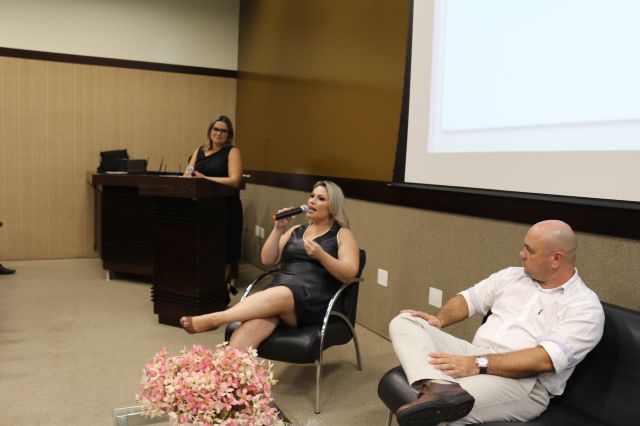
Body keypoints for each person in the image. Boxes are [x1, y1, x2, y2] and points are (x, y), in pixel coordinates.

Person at [389, 220, 604, 426]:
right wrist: (439, 320)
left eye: (530, 250)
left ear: (556, 259)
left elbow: (544, 360)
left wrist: (478, 364)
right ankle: (440, 387)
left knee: (444, 412)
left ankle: (441, 394)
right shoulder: (511, 276)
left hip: (524, 383)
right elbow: (468, 300)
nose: (521, 254)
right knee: (406, 321)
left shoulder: (584, 306)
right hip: (475, 353)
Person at [179, 180, 360, 351]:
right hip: (279, 296)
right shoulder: (295, 230)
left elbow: (349, 273)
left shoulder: (342, 234)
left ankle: (215, 319)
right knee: (253, 325)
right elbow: (267, 259)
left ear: (332, 207)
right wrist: (278, 228)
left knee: (281, 293)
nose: (312, 201)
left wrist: (322, 256)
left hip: (312, 300)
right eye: (311, 196)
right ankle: (227, 370)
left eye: (320, 198)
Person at [183, 115, 243, 290]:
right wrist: (190, 176)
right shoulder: (199, 151)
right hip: (201, 209)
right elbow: (187, 174)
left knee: (223, 253)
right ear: (210, 131)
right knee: (203, 251)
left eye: (223, 131)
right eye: (216, 129)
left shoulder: (232, 152)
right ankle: (201, 290)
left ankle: (218, 292)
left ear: (229, 135)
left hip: (226, 209)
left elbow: (234, 181)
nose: (219, 133)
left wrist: (204, 178)